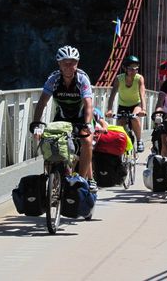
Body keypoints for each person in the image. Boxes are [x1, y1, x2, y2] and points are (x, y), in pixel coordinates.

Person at [31, 45, 97, 192]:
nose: (69, 66)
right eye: (65, 62)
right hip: (62, 117)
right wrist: (36, 124)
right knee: (49, 141)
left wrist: (87, 124)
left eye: (72, 62)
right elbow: (42, 102)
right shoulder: (53, 80)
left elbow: (88, 105)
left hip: (81, 116)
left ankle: (85, 180)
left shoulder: (82, 80)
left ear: (77, 63)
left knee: (86, 141)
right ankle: (52, 177)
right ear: (59, 64)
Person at [106, 55, 147, 152]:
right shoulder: (119, 79)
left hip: (136, 104)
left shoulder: (139, 78)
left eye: (136, 69)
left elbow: (142, 94)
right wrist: (109, 110)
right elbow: (112, 95)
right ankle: (121, 144)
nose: (134, 71)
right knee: (120, 123)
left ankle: (139, 141)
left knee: (134, 118)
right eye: (131, 69)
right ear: (124, 68)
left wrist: (144, 109)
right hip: (123, 105)